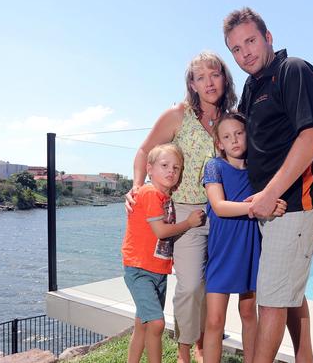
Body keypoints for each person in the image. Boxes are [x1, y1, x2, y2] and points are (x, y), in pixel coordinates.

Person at [223, 8, 313, 363]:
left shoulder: (292, 70)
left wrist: (270, 194)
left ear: (268, 38)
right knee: (289, 292)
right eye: (235, 49)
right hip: (272, 207)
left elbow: (312, 136)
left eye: (250, 41)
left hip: (295, 204)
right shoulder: (252, 88)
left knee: (270, 301)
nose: (245, 53)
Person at [125, 51, 237, 363]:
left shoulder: (232, 120)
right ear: (192, 83)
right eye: (200, 77)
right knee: (189, 286)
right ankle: (185, 349)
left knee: (211, 285)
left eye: (214, 75)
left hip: (223, 211)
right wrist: (136, 186)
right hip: (187, 211)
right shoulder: (178, 115)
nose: (209, 82)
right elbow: (144, 151)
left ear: (224, 78)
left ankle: (202, 340)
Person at [202, 112, 286, 363]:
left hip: (250, 249)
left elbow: (270, 202)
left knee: (249, 312)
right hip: (222, 251)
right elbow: (219, 206)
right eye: (227, 137)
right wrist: (260, 205)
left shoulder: (257, 170)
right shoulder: (214, 167)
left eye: (239, 133)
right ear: (219, 143)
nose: (234, 140)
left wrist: (274, 205)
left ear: (248, 135)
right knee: (215, 319)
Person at [122, 143, 206, 363]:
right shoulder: (149, 192)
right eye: (164, 165)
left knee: (143, 323)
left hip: (157, 270)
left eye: (176, 168)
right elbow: (160, 231)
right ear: (149, 169)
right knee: (157, 324)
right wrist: (188, 223)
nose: (171, 171)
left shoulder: (165, 197)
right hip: (140, 269)